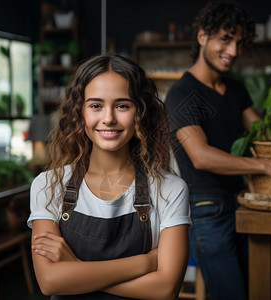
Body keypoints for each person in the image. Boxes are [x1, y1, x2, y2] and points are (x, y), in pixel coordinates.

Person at [165, 1, 271, 299]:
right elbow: (201, 156)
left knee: (263, 288)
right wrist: (269, 167)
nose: (233, 51)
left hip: (245, 203)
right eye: (225, 39)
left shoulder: (235, 89)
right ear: (203, 36)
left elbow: (263, 134)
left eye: (239, 43)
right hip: (207, 210)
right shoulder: (181, 94)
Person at [27, 54, 191, 299]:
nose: (108, 118)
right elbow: (50, 282)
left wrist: (75, 269)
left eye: (122, 105)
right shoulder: (48, 185)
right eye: (95, 105)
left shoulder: (170, 189)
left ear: (140, 112)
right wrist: (146, 263)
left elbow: (166, 289)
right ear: (79, 112)